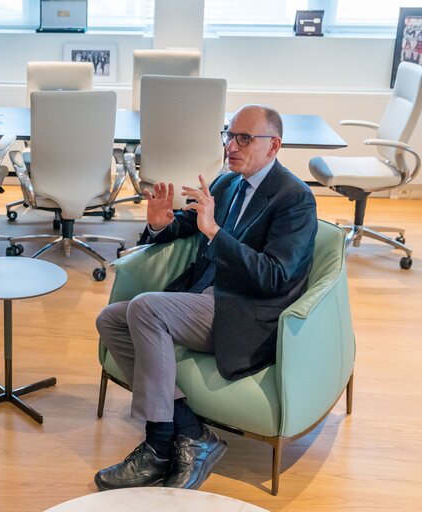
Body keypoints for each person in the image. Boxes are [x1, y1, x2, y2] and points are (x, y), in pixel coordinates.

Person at [94, 105, 318, 491]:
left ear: (274, 145)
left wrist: (215, 233)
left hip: (246, 312)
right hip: (204, 300)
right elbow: (189, 224)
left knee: (146, 309)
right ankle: (193, 433)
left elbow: (274, 276)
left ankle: (158, 445)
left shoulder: (294, 199)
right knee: (110, 319)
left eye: (244, 138)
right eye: (229, 135)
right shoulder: (227, 183)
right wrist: (160, 224)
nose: (232, 145)